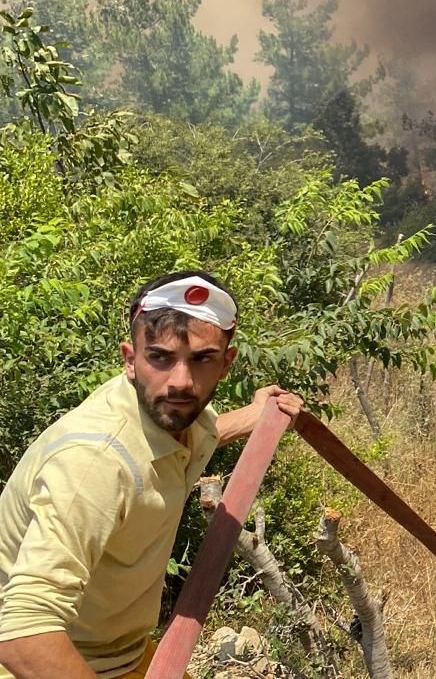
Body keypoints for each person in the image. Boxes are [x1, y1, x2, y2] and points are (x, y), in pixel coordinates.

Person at [0, 271, 305, 679]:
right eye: (159, 357)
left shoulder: (178, 421)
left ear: (226, 363)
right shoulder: (94, 464)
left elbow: (203, 434)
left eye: (201, 359)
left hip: (124, 655)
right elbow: (22, 632)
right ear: (130, 359)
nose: (180, 382)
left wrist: (258, 415)